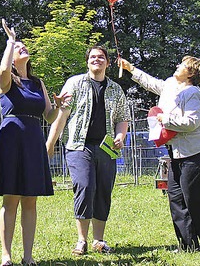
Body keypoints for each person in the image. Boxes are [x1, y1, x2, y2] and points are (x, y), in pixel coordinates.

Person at [118, 56, 200, 252]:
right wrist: (130, 68)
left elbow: (192, 122)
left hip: (196, 154)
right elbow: (151, 83)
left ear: (191, 73)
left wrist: (164, 119)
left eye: (182, 65)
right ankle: (188, 245)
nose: (177, 65)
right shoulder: (169, 85)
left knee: (195, 199)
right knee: (176, 198)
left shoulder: (193, 92)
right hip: (176, 154)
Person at [46, 46, 130, 256]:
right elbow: (61, 117)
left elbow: (122, 118)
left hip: (107, 148)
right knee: (85, 186)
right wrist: (49, 145)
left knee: (103, 191)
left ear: (108, 63)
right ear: (87, 61)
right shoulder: (74, 84)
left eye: (101, 57)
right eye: (93, 57)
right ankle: (81, 240)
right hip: (78, 146)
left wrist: (120, 136)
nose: (97, 60)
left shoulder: (115, 89)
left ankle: (98, 240)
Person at [0, 19, 61, 266]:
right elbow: (1, 73)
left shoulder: (37, 82)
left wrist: (60, 107)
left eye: (22, 46)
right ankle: (6, 255)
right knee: (10, 199)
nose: (22, 48)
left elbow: (49, 115)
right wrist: (10, 42)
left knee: (30, 200)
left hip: (33, 140)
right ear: (10, 57)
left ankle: (28, 257)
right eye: (17, 47)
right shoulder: (7, 81)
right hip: (11, 139)